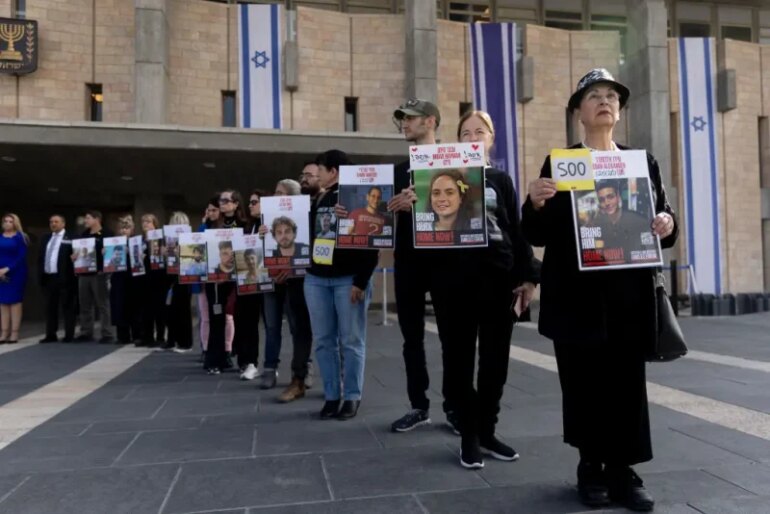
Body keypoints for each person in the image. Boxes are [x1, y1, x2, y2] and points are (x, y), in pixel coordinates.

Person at [522, 69, 678, 512]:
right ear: (579, 112)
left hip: (630, 296)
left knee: (628, 386)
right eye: (594, 96)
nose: (604, 102)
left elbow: (663, 222)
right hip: (576, 298)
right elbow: (536, 232)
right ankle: (590, 466)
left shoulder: (641, 163)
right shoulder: (562, 163)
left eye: (611, 96)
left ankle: (625, 470)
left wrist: (666, 222)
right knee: (583, 385)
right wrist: (535, 201)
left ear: (620, 111)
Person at [436, 110, 540, 469]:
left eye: (480, 131)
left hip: (498, 280)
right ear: (458, 140)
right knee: (459, 361)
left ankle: (487, 431)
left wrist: (528, 276)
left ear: (491, 139)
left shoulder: (501, 180)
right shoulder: (440, 179)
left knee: (495, 362)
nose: (473, 137)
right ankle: (467, 435)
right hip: (455, 283)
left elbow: (517, 230)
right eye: (466, 132)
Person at [386, 99, 458, 433]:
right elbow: (379, 214)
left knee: (451, 337)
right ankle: (419, 405)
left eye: (410, 119)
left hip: (446, 260)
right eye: (401, 119)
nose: (404, 124)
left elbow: (470, 206)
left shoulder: (455, 160)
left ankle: (455, 407)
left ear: (430, 121)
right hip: (409, 261)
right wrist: (394, 205)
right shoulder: (399, 170)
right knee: (410, 338)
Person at [304, 149, 378, 420]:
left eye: (319, 170)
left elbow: (372, 241)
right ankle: (332, 395)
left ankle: (352, 397)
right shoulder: (317, 198)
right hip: (316, 279)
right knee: (324, 341)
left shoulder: (358, 194)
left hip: (348, 279)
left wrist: (361, 280)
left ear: (333, 171)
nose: (316, 174)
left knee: (351, 340)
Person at [260, 180, 314, 398]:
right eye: (275, 192)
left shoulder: (304, 223)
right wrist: (260, 235)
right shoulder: (267, 225)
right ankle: (269, 368)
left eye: (280, 193)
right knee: (272, 327)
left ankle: (303, 369)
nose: (276, 196)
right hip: (273, 282)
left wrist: (293, 270)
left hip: (297, 283)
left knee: (298, 327)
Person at [236, 189, 267, 381]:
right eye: (250, 202)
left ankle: (272, 364)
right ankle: (251, 363)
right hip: (249, 280)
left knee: (271, 325)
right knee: (248, 322)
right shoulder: (248, 226)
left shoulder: (270, 224)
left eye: (254, 202)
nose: (250, 205)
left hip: (268, 280)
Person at [74, 210, 114, 343]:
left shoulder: (107, 234)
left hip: (99, 273)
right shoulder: (84, 234)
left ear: (97, 219)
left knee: (102, 304)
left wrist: (106, 253)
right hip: (84, 273)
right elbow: (80, 252)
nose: (86, 221)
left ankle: (107, 333)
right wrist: (75, 256)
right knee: (84, 304)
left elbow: (113, 254)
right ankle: (86, 331)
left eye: (88, 218)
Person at [588, 181, 655, 258]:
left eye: (610, 197)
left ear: (618, 197)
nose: (607, 203)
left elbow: (650, 251)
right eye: (602, 200)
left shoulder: (639, 221)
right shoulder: (596, 226)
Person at [39, 214, 77, 343]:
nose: (53, 224)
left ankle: (69, 335)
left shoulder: (71, 237)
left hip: (65, 277)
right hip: (49, 277)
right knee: (50, 307)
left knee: (67, 307)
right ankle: (51, 334)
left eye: (56, 221)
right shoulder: (45, 238)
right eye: (51, 222)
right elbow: (41, 257)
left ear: (63, 224)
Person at [111, 215, 143, 345]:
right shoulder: (114, 243)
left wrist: (130, 252)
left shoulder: (136, 241)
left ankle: (137, 334)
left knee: (134, 307)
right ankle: (122, 335)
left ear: (132, 229)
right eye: (122, 228)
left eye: (127, 228)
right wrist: (105, 254)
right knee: (119, 306)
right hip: (119, 277)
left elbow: (140, 261)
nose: (124, 231)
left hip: (133, 278)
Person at [166, 211, 194, 353]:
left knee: (183, 308)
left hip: (185, 276)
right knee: (173, 308)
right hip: (173, 275)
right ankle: (173, 339)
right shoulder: (170, 240)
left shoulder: (189, 240)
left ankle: (185, 342)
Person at [0, 214, 29, 344]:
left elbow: (21, 257)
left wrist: (8, 269)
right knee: (3, 303)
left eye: (10, 221)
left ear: (15, 223)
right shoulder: (0, 237)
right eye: (5, 221)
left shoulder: (20, 238)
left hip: (16, 272)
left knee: (15, 302)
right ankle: (4, 332)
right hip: (0, 273)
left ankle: (14, 333)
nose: (7, 223)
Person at [140, 214, 167, 348]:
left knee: (159, 307)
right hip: (144, 277)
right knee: (146, 308)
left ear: (155, 224)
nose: (145, 224)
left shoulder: (160, 238)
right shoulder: (140, 240)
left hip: (158, 276)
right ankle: (147, 336)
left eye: (148, 221)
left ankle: (160, 336)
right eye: (143, 222)